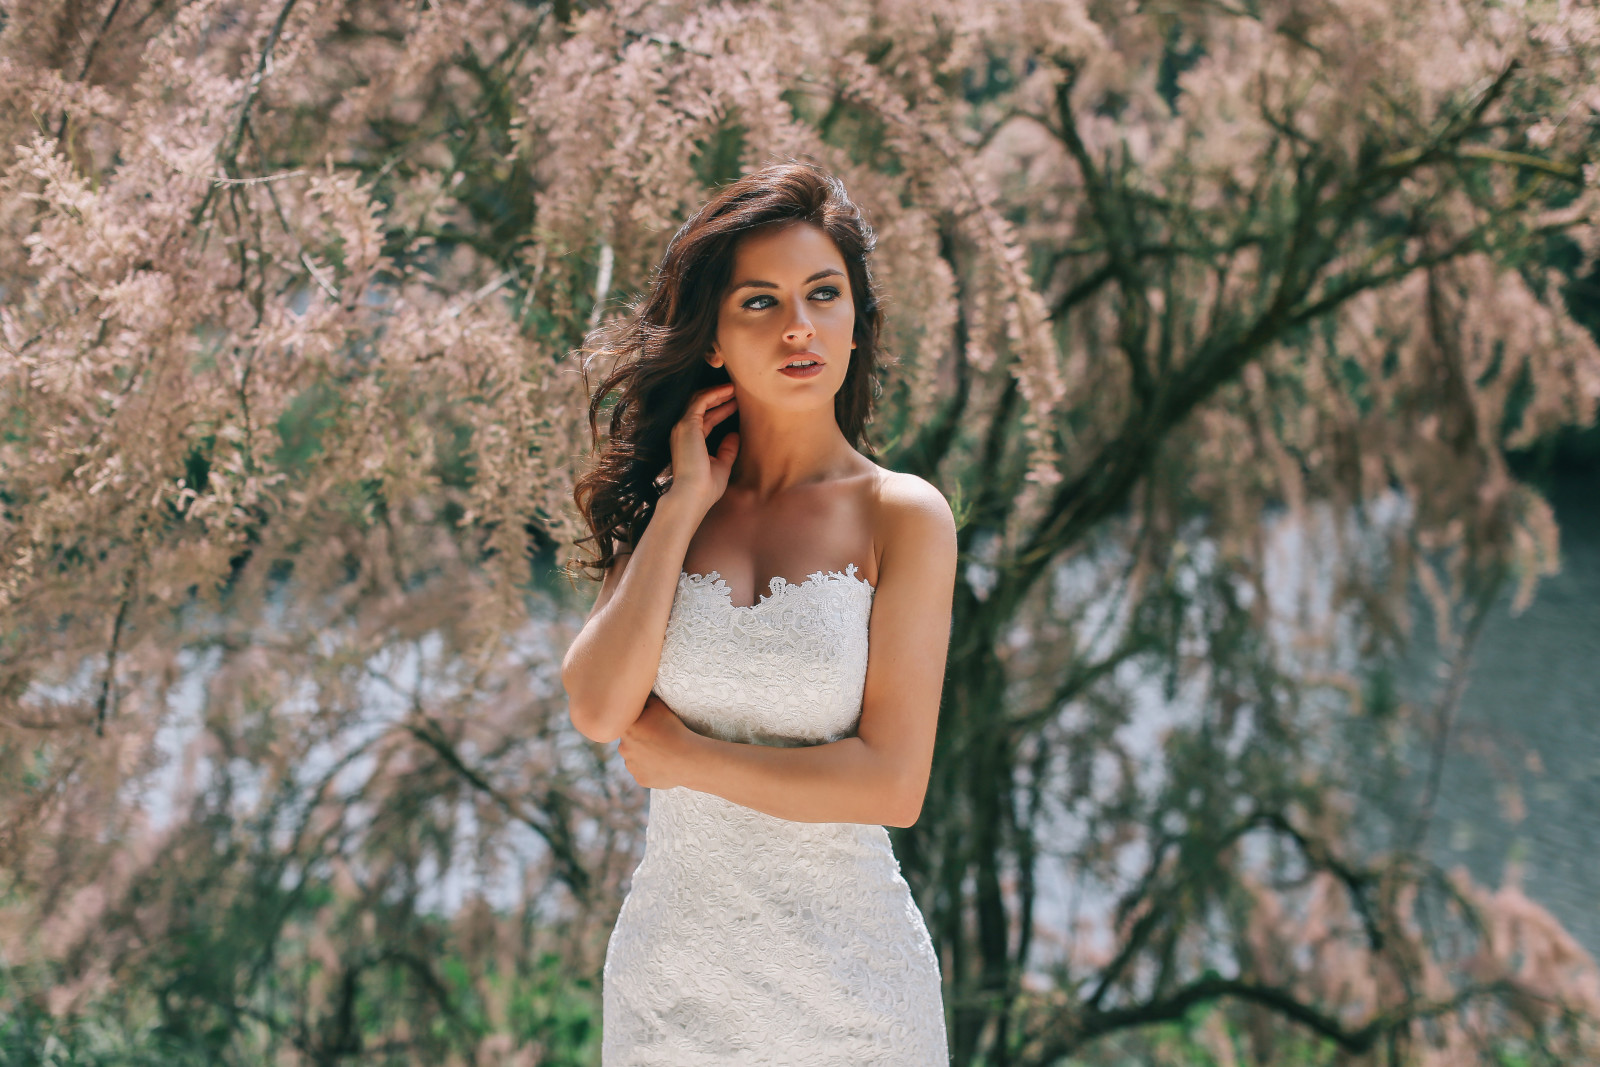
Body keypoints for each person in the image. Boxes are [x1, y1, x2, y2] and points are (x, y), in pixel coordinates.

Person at [561, 159, 956, 1065]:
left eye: (824, 294)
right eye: (760, 303)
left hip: (852, 993)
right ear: (712, 338)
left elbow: (893, 784)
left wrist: (689, 758)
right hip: (673, 992)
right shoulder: (670, 501)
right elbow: (595, 706)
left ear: (857, 320)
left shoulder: (902, 516)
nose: (799, 327)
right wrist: (683, 502)